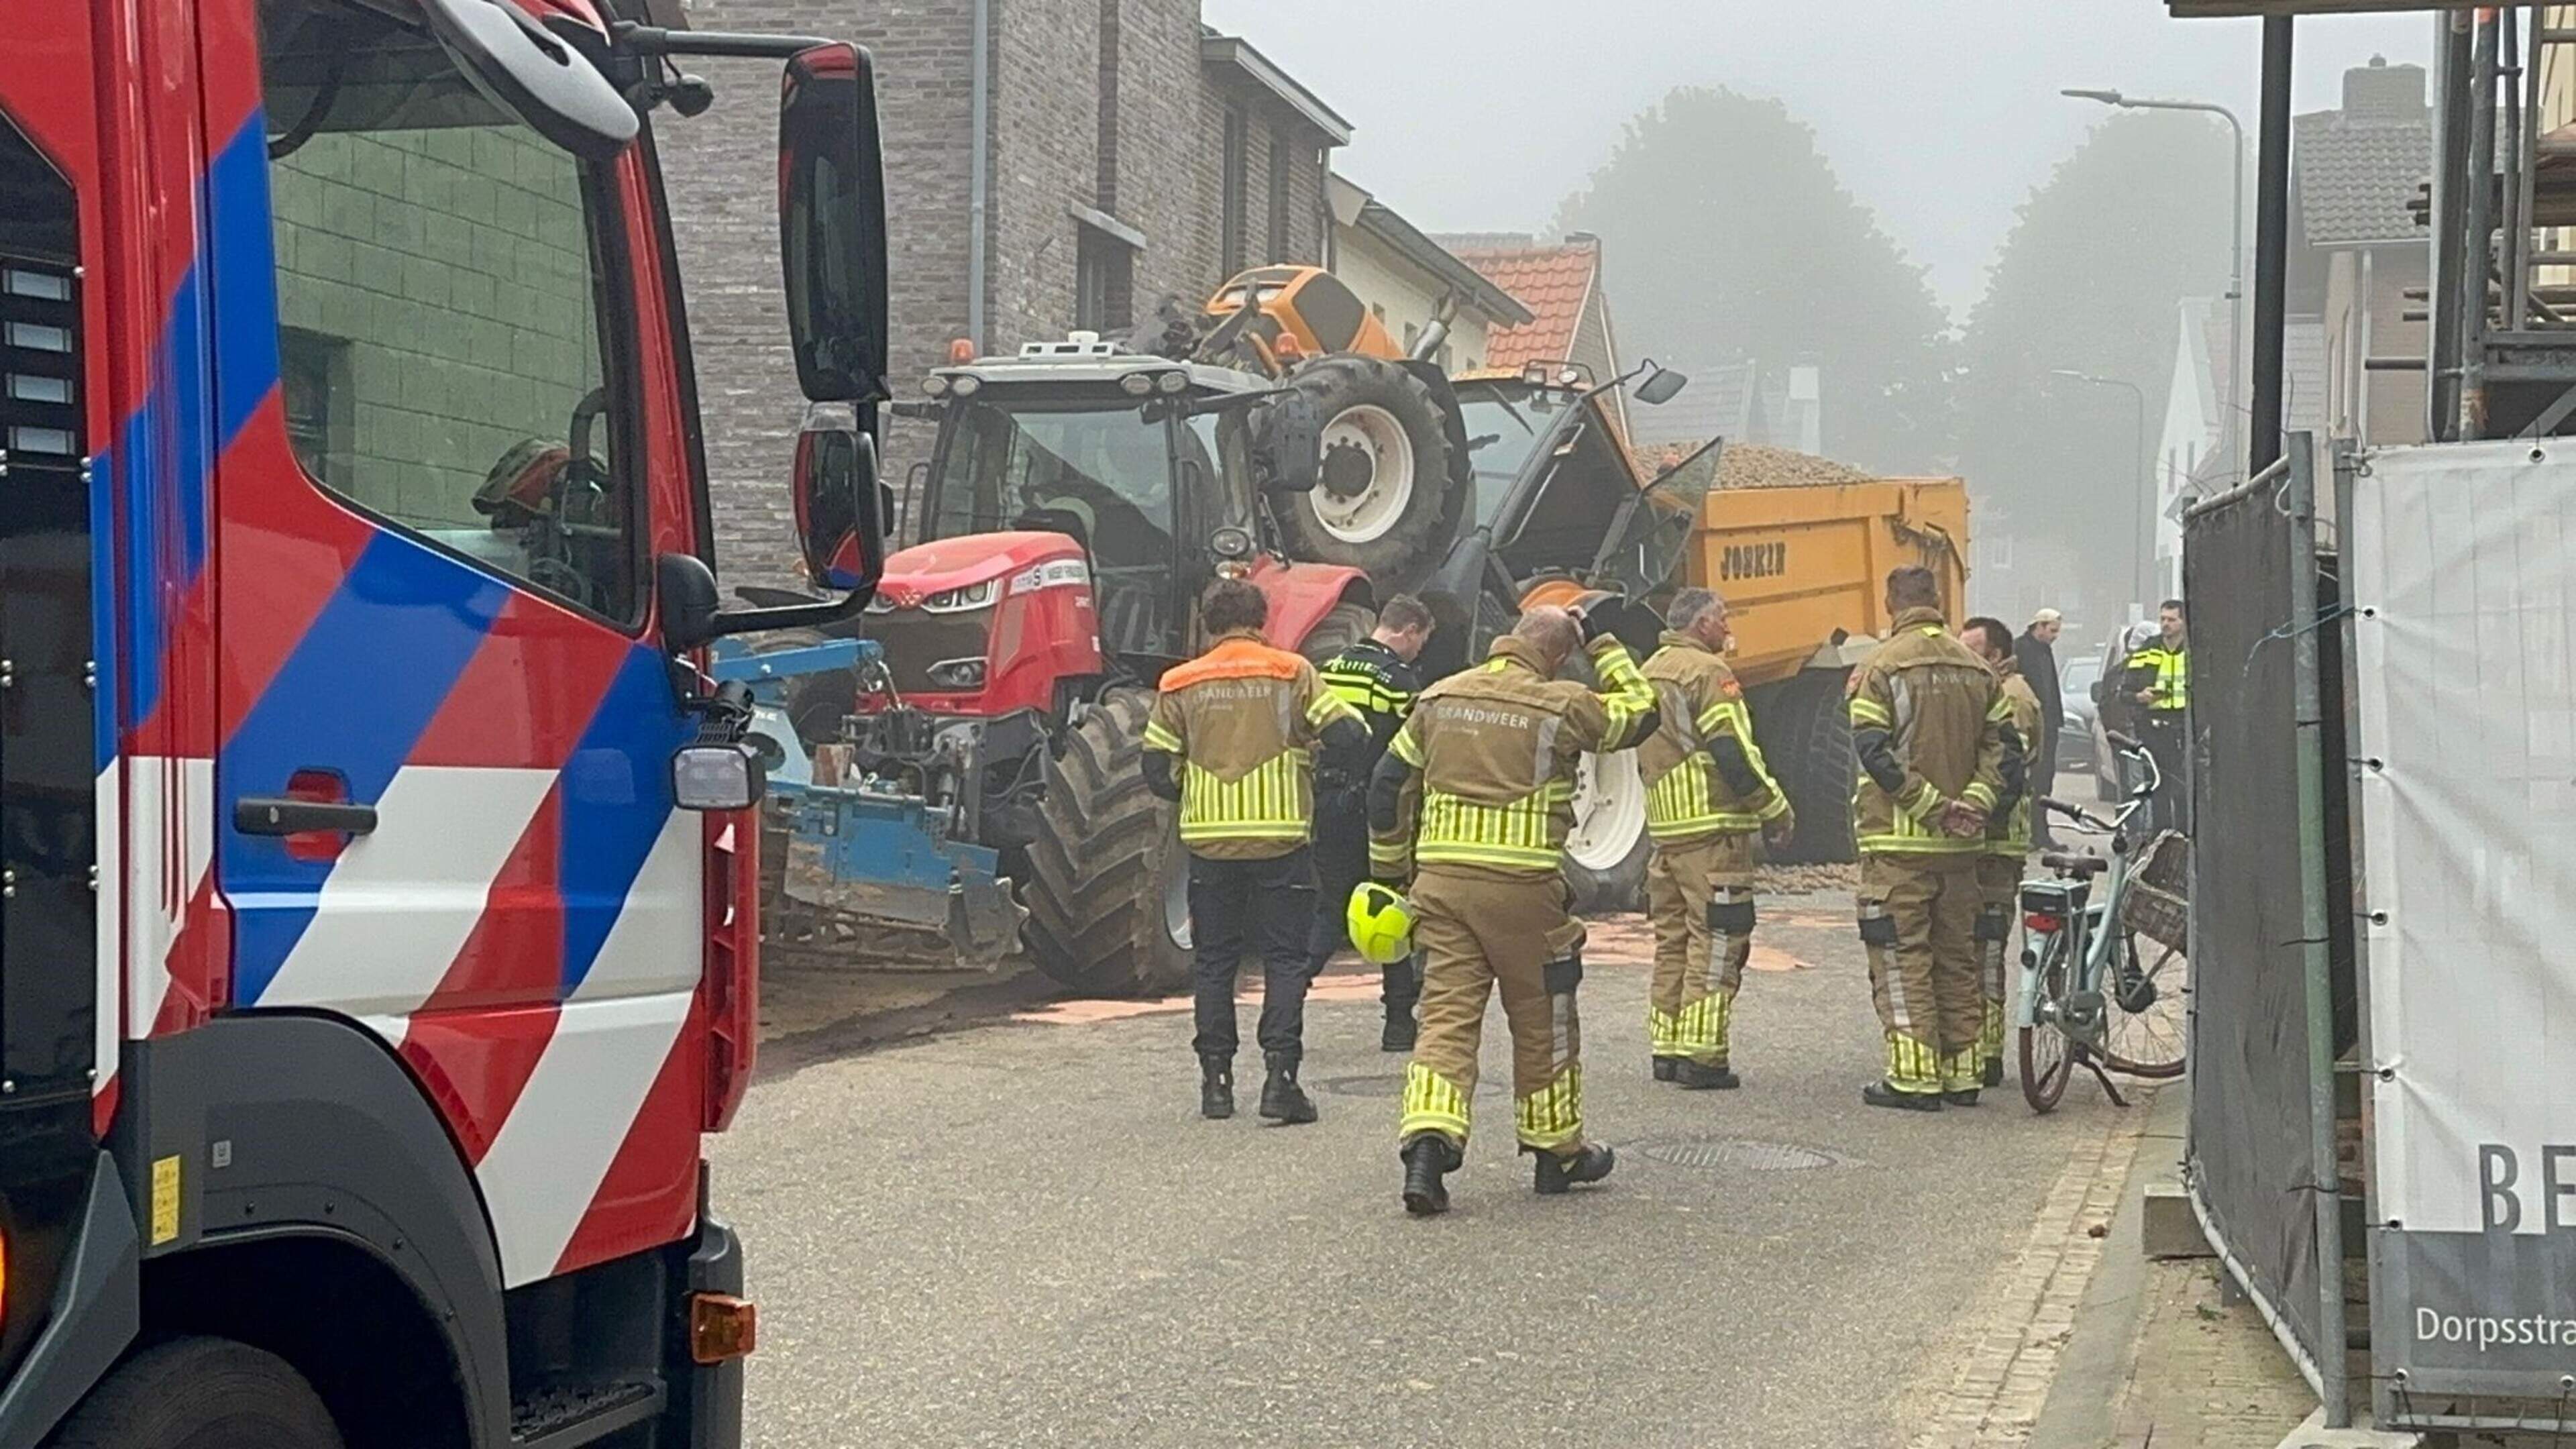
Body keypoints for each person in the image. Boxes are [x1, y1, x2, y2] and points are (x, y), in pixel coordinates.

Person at [1368, 604, 1660, 1214]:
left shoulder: (1439, 699)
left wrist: (1390, 874)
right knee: (1543, 1016)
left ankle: (1428, 1144)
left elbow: (1386, 785)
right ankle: (1557, 1152)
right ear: (1557, 655)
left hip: (1443, 885)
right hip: (1524, 888)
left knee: (1446, 1015)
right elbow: (1641, 712)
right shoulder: (1564, 703)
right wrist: (1604, 643)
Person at [1142, 578, 1369, 1126]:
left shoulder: (1179, 682)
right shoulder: (1292, 672)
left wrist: (1196, 788)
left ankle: (1216, 1085)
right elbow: (1350, 735)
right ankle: (1279, 1081)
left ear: (1210, 623)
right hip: (1281, 840)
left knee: (1215, 961)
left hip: (1210, 843)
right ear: (1261, 621)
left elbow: (1156, 770)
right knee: (1285, 961)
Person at [1847, 568, 2015, 1111]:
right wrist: (1977, 804)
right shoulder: (1979, 669)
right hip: (1963, 850)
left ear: (1891, 602)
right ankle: (1963, 1074)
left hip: (1901, 845)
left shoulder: (1880, 666)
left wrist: (1930, 807)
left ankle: (1913, 1076)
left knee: (1901, 957)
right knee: (1957, 957)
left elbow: (1874, 751)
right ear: (1939, 602)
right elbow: (2006, 751)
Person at [1638, 588, 1794, 1089]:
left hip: (1665, 829)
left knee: (1674, 940)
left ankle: (1667, 1046)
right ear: (1702, 624)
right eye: (1723, 618)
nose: (1728, 627)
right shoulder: (1708, 674)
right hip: (1713, 828)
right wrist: (1774, 808)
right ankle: (1703, 1057)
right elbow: (1731, 749)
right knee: (1719, 941)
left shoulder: (1650, 670)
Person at [1310, 595, 1436, 1051]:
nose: (1420, 650)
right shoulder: (1399, 682)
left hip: (1327, 799)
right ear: (1409, 630)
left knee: (1330, 905)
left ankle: (1290, 993)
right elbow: (1413, 752)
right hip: (1375, 805)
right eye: (1421, 640)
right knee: (1391, 905)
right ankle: (1399, 1023)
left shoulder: (1331, 667)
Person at [1961, 616, 2041, 1089]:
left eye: (1972, 650)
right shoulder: (1997, 692)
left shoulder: (2012, 698)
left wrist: (1976, 813)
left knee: (1987, 948)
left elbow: (2008, 769)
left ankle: (1987, 1052)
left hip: (1996, 843)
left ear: (1996, 656)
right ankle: (1980, 1048)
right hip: (1987, 843)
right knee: (1975, 946)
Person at [2123, 599, 2190, 834]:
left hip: (2186, 727)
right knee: (2158, 788)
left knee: (2183, 789)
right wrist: (2140, 696)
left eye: (2172, 619)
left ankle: (2183, 837)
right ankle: (2160, 839)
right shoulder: (2147, 651)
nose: (2166, 624)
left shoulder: (2194, 651)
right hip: (2154, 729)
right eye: (2163, 619)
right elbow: (2124, 692)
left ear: (2183, 621)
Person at [2013, 609, 2065, 849]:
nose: (2055, 636)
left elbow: (2051, 690)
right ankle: (2029, 833)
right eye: (2052, 631)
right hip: (2029, 724)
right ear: (2040, 626)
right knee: (2028, 781)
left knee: (2045, 780)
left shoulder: (2045, 651)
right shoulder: (2020, 649)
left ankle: (2041, 833)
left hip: (2049, 725)